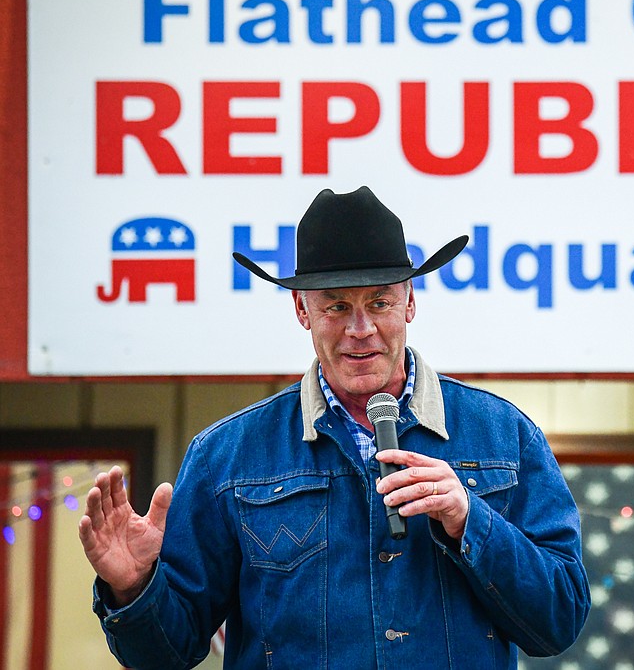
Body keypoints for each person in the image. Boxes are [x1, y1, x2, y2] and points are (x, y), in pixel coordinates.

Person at [79, 186, 590, 669]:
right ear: (302, 310)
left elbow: (559, 620)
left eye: (380, 303)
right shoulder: (227, 457)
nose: (360, 329)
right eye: (337, 306)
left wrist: (469, 520)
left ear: (410, 302)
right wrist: (135, 589)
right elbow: (167, 652)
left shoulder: (505, 434)